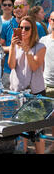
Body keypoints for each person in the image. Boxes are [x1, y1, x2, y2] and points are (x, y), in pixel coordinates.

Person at [8, 15, 46, 154]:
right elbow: (11, 65)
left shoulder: (40, 47)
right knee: (20, 131)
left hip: (35, 94)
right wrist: (13, 46)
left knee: (37, 133)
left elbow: (35, 66)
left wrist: (26, 50)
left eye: (27, 28)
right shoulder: (15, 46)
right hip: (18, 92)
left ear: (33, 30)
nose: (23, 30)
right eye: (21, 28)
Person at [0, 0, 46, 89]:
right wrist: (13, 47)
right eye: (16, 6)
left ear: (28, 7)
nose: (18, 8)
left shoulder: (37, 26)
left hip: (31, 73)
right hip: (9, 71)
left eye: (21, 6)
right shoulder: (5, 25)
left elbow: (43, 48)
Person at [40, 11, 54, 153]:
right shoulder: (43, 40)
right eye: (53, 19)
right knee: (44, 118)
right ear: (49, 21)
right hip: (46, 84)